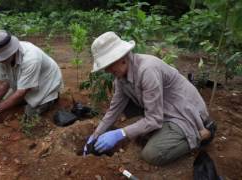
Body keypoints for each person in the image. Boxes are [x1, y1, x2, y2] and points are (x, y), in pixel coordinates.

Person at [83, 32, 214, 165]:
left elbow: (154, 119)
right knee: (137, 129)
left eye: (109, 65)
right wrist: (96, 134)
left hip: (183, 112)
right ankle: (166, 132)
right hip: (163, 109)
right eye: (105, 67)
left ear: (121, 57)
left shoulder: (147, 70)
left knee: (151, 154)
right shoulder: (121, 78)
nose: (107, 71)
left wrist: (120, 133)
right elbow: (114, 109)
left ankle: (202, 134)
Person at [0, 30, 63, 127]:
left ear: (9, 52)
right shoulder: (3, 58)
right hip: (23, 84)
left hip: (45, 84)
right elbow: (3, 84)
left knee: (29, 117)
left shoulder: (31, 58)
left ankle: (52, 100)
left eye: (0, 57)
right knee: (5, 105)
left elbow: (21, 93)